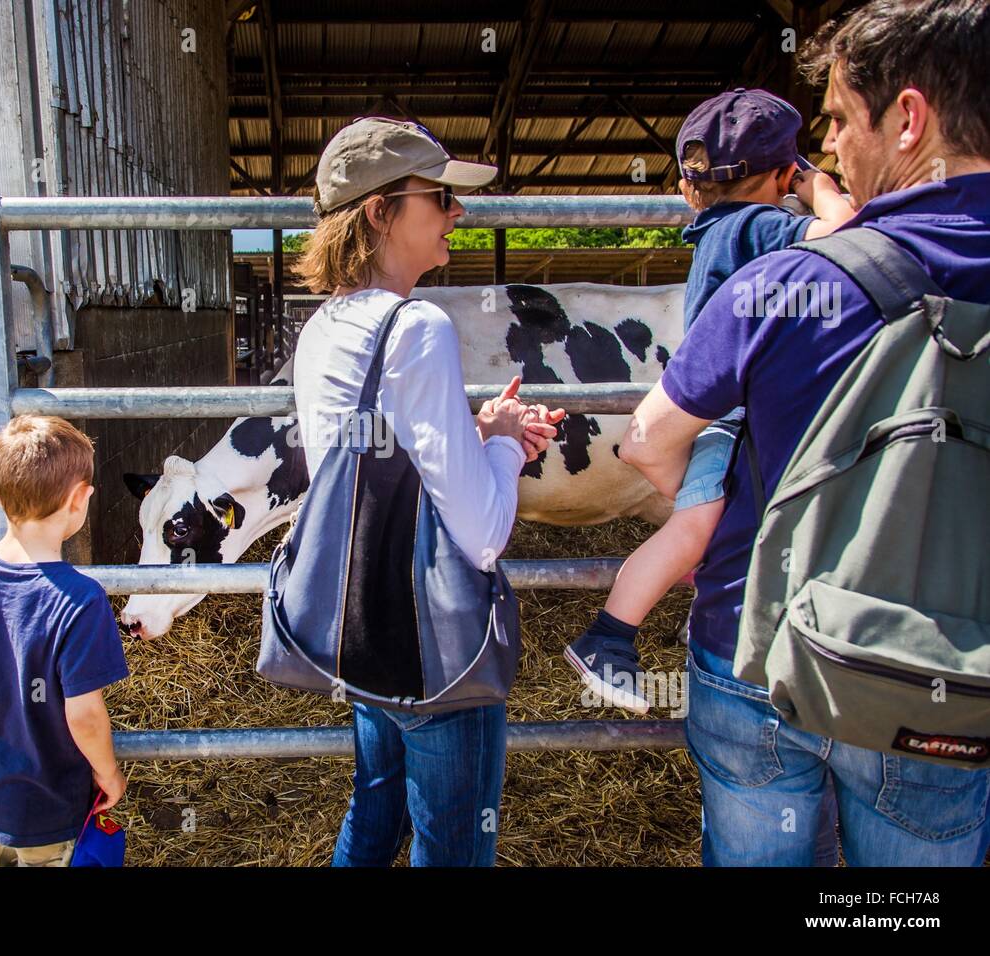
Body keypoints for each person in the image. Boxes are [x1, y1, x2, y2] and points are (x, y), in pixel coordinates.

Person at [618, 0, 990, 865]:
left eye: (835, 121)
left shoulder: (784, 281)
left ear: (907, 118)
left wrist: (709, 504)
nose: (829, 154)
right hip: (951, 676)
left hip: (764, 652)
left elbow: (645, 442)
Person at [292, 116, 563, 866]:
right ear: (381, 211)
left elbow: (374, 473)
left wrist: (472, 431)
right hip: (436, 649)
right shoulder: (419, 326)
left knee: (374, 818)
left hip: (359, 628)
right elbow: (481, 532)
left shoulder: (322, 328)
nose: (457, 212)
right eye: (439, 197)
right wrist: (507, 442)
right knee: (453, 850)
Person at [565, 89, 855, 713]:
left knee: (698, 526)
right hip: (733, 416)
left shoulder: (715, 233)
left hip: (706, 414)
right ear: (783, 174)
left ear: (690, 185)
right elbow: (854, 241)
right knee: (692, 530)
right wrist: (821, 191)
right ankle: (607, 638)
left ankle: (627, 632)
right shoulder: (762, 225)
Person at [0, 415, 128, 867]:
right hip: (49, 806)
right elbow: (85, 714)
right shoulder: (81, 599)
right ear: (80, 499)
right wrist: (108, 771)